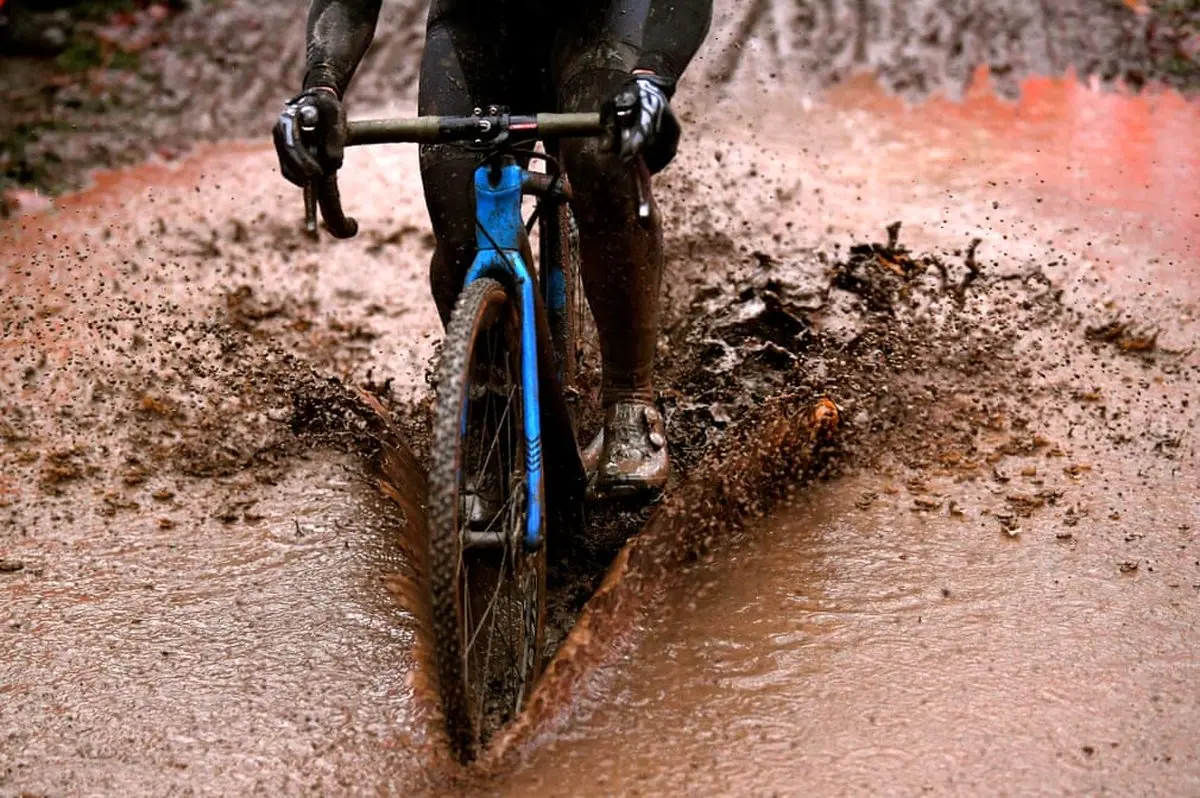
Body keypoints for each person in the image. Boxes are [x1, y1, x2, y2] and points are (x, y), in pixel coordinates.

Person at [274, 0, 712, 498]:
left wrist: (653, 79)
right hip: (476, 27)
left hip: (602, 22)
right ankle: (493, 412)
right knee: (461, 231)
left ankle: (630, 397)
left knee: (601, 161)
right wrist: (320, 87)